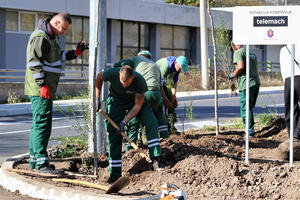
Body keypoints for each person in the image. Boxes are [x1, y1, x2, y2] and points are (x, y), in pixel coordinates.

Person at [25, 13, 88, 173]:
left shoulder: (50, 37)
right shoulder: (41, 37)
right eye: (64, 28)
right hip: (41, 89)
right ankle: (41, 164)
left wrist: (76, 52)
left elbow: (59, 57)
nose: (64, 32)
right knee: (42, 124)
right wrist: (43, 85)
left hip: (44, 88)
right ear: (57, 22)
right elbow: (34, 62)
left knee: (39, 123)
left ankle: (35, 161)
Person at [95, 65, 164, 184]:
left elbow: (137, 106)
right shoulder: (112, 73)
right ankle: (115, 174)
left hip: (135, 101)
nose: (123, 85)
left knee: (151, 121)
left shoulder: (140, 81)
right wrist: (97, 98)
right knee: (113, 132)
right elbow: (99, 77)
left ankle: (156, 158)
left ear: (133, 77)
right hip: (116, 101)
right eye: (122, 82)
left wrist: (124, 122)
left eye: (126, 83)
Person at [113, 51, 169, 152]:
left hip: (144, 92)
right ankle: (165, 140)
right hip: (156, 94)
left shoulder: (135, 60)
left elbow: (122, 65)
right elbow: (161, 88)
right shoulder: (155, 65)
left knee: (134, 120)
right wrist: (166, 100)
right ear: (150, 58)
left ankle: (130, 149)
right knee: (158, 115)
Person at [228, 42, 260, 137]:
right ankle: (251, 128)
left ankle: (249, 132)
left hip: (246, 84)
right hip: (256, 82)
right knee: (249, 107)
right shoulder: (251, 52)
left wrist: (233, 74)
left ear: (234, 45)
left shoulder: (238, 52)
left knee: (245, 108)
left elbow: (240, 66)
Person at [156, 56, 188, 134]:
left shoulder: (177, 69)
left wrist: (173, 96)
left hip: (163, 84)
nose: (180, 70)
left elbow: (175, 82)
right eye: (180, 68)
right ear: (176, 63)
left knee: (171, 104)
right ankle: (161, 131)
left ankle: (171, 127)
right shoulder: (165, 66)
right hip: (155, 83)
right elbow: (160, 86)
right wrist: (166, 100)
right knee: (161, 104)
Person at [279, 44, 300, 141]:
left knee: (290, 108)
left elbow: (282, 67)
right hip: (299, 77)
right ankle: (297, 133)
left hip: (288, 79)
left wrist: (286, 82)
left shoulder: (284, 49)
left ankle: (292, 135)